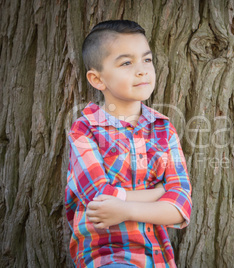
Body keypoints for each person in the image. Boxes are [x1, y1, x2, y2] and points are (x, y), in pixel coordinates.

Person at [64, 20, 192, 268]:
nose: (142, 70)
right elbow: (100, 201)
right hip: (106, 256)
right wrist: (158, 193)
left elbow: (181, 206)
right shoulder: (86, 129)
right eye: (126, 63)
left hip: (158, 258)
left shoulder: (163, 129)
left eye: (147, 60)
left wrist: (125, 208)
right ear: (97, 79)